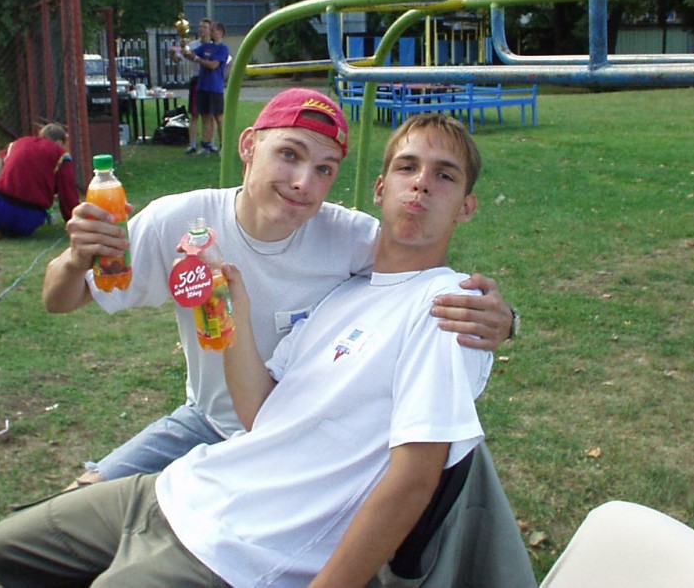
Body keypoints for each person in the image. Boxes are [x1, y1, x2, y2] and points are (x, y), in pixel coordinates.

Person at [0, 113, 495, 587]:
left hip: (246, 541)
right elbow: (260, 411)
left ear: (467, 207)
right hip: (199, 469)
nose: (421, 183)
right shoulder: (343, 290)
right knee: (6, 547)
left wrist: (506, 319)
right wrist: (228, 307)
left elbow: (415, 477)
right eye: (407, 167)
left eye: (444, 175)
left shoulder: (444, 305)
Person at [42, 88, 517, 489]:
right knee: (74, 502)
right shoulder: (179, 221)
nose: (303, 183)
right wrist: (75, 259)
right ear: (249, 145)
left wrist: (506, 320)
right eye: (289, 154)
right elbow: (61, 299)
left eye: (324, 169)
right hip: (208, 422)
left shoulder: (350, 238)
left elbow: (421, 272)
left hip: (299, 443)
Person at [0, 123, 80, 241]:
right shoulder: (61, 155)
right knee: (22, 216)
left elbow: (4, 160)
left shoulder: (19, 143)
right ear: (59, 142)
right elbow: (68, 194)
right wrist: (73, 220)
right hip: (29, 217)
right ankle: (3, 231)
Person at [183, 20, 229, 154]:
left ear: (220, 32)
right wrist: (184, 47)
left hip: (215, 87)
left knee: (218, 117)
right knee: (205, 116)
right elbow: (190, 54)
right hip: (202, 87)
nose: (210, 32)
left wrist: (197, 59)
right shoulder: (206, 47)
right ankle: (206, 145)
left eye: (212, 30)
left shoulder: (223, 48)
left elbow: (213, 65)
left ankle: (223, 145)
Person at [173, 17, 212, 154]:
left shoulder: (214, 46)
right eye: (200, 27)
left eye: (205, 27)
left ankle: (208, 143)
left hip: (210, 81)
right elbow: (178, 58)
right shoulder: (193, 45)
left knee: (208, 115)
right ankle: (192, 145)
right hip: (196, 80)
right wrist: (176, 51)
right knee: (194, 114)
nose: (202, 30)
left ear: (210, 30)